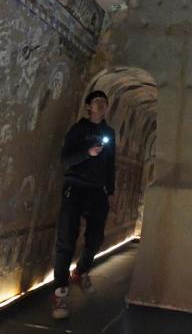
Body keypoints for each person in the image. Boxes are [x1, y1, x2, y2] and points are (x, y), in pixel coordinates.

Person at [51, 90, 116, 320]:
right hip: (76, 187)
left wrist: (110, 191)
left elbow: (111, 164)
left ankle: (80, 272)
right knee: (67, 239)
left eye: (105, 102)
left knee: (96, 239)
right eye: (97, 102)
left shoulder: (109, 133)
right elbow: (66, 159)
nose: (102, 105)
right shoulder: (78, 130)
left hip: (97, 191)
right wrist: (87, 152)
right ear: (88, 106)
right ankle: (60, 292)